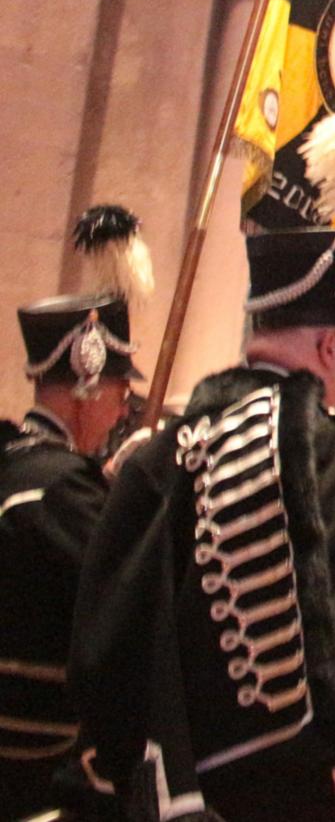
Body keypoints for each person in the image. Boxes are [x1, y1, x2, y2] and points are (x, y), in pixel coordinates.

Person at [71, 221, 335, 820]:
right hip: (285, 786)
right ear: (332, 347)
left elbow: (108, 635)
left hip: (170, 788)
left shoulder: (157, 450)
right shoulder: (320, 446)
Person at [1, 293, 135, 816]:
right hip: (31, 772)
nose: (124, 408)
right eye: (120, 390)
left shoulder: (19, 465)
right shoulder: (63, 492)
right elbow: (126, 609)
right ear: (88, 381)